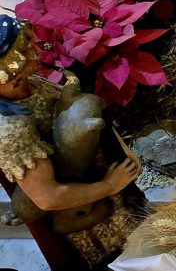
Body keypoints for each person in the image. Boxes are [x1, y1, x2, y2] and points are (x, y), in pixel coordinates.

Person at [0, 15, 141, 268]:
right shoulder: (10, 129)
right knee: (122, 262)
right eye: (24, 51)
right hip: (87, 216)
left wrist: (123, 152)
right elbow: (48, 196)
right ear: (9, 71)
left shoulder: (32, 82)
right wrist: (109, 186)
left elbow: (88, 111)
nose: (34, 50)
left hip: (110, 181)